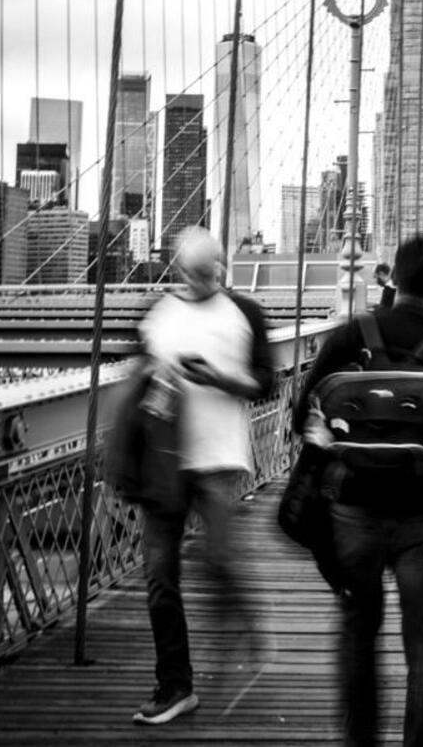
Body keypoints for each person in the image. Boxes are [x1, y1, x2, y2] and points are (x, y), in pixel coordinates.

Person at [298, 233, 423, 747]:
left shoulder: (350, 337)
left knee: (358, 637)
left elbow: (303, 413)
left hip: (352, 514)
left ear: (395, 279)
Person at [129, 226, 277, 726]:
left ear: (221, 264)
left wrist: (216, 377)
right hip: (164, 462)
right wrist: (157, 382)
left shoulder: (247, 313)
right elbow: (137, 382)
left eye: (209, 270)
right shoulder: (156, 316)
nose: (200, 279)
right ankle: (175, 685)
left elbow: (265, 385)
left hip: (218, 459)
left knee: (218, 560)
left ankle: (242, 627)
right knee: (159, 578)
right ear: (178, 268)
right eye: (191, 272)